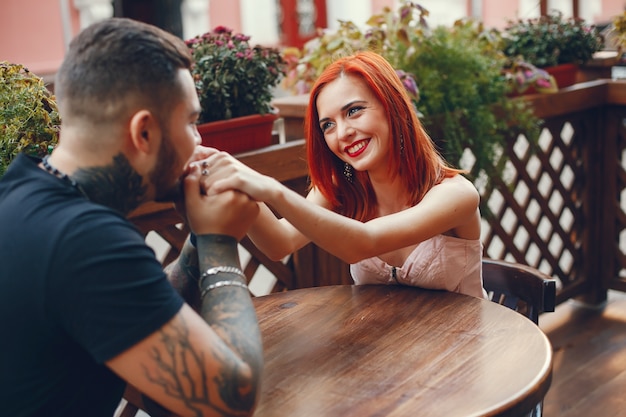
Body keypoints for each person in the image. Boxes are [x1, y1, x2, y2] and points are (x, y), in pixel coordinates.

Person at [0, 18, 263, 417]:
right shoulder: (83, 239)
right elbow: (230, 399)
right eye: (191, 122)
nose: (199, 141)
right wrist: (219, 243)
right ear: (144, 133)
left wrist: (197, 238)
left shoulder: (22, 191)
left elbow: (135, 315)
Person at [201, 51, 486, 299]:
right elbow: (280, 243)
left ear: (393, 108)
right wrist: (236, 181)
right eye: (328, 125)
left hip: (468, 350)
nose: (343, 133)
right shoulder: (344, 188)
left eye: (354, 111)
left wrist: (271, 189)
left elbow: (363, 243)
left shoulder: (456, 194)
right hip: (396, 351)